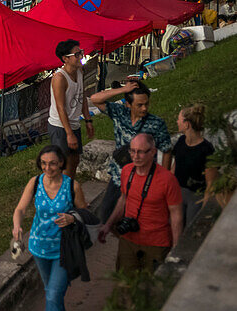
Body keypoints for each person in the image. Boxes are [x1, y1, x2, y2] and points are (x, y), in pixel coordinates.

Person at [12, 145, 88, 311]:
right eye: (44, 163)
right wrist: (17, 226)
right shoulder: (35, 182)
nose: (48, 168)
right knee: (52, 292)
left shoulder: (72, 186)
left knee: (53, 294)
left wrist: (72, 218)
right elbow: (20, 209)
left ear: (61, 163)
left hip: (63, 250)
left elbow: (85, 213)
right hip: (39, 248)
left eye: (52, 163)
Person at [99, 134, 182, 275]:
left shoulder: (167, 180)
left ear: (153, 152)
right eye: (132, 151)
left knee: (152, 289)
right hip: (128, 239)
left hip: (156, 243)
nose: (135, 156)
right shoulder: (126, 171)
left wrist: (176, 246)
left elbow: (176, 214)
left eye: (141, 152)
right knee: (124, 285)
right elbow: (123, 200)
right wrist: (108, 225)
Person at [90, 78, 172, 221]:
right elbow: (95, 99)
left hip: (144, 178)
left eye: (146, 104)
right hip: (119, 175)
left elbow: (166, 150)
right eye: (139, 105)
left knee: (138, 218)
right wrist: (123, 90)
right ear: (128, 104)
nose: (144, 108)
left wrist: (163, 179)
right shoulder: (119, 113)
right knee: (105, 214)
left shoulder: (156, 123)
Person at [48, 40, 94, 179]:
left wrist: (88, 120)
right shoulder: (60, 78)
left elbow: (82, 95)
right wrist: (69, 134)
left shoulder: (79, 71)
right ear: (65, 59)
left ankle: (69, 192)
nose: (81, 56)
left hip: (74, 124)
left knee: (74, 161)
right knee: (64, 165)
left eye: (81, 52)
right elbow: (60, 107)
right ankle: (62, 196)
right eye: (77, 54)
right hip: (60, 127)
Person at [171, 103, 215, 229]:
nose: (176, 121)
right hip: (178, 193)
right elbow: (174, 169)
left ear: (187, 124)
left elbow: (210, 184)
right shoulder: (180, 142)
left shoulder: (206, 149)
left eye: (179, 119)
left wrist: (204, 211)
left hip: (196, 197)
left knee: (191, 228)